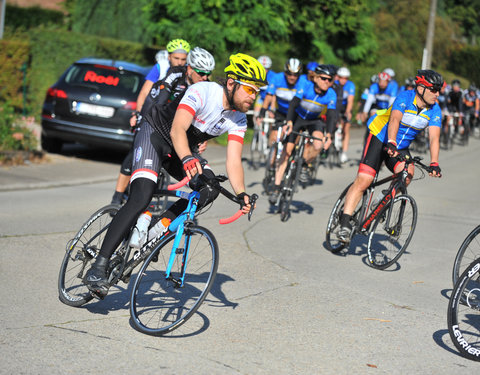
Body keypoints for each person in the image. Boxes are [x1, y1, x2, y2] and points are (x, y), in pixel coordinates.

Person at [84, 53, 266, 298]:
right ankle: (99, 266)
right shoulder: (204, 91)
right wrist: (189, 158)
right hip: (156, 135)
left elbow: (234, 160)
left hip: (181, 150)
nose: (253, 97)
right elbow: (177, 128)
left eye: (257, 92)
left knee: (209, 188)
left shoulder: (239, 119)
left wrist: (241, 193)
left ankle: (156, 232)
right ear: (232, 83)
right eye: (249, 90)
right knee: (142, 196)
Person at [337, 69, 444, 243]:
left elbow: (434, 137)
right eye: (434, 89)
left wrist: (434, 162)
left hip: (400, 146)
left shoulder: (435, 110)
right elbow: (394, 119)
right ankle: (344, 223)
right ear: (421, 88)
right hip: (380, 137)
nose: (437, 94)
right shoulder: (405, 97)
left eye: (439, 90)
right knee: (365, 180)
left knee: (407, 174)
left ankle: (382, 200)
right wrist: (391, 141)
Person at [111, 39, 191, 205]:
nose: (180, 62)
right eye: (176, 58)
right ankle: (117, 196)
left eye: (183, 59)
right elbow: (145, 92)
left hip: (170, 120)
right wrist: (137, 113)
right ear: (169, 57)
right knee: (133, 156)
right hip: (150, 114)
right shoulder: (160, 68)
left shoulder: (188, 73)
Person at [268, 64, 337, 203]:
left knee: (318, 145)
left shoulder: (331, 94)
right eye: (324, 78)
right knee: (287, 152)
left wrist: (329, 135)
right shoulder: (306, 86)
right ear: (316, 78)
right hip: (298, 118)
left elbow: (331, 115)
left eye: (330, 80)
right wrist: (289, 122)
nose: (327, 82)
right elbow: (293, 104)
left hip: (314, 120)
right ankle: (276, 186)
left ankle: (304, 164)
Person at [258, 58, 305, 146]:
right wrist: (262, 112)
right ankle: (272, 157)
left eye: (295, 75)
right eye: (289, 74)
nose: (292, 77)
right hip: (281, 112)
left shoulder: (303, 82)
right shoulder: (277, 78)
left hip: (296, 113)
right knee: (274, 139)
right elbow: (269, 96)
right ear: (285, 72)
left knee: (293, 142)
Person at [335, 67, 355, 163]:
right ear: (338, 77)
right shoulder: (334, 83)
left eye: (345, 78)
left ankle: (344, 152)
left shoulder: (350, 85)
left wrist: (348, 112)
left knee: (346, 128)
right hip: (335, 106)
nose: (343, 80)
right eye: (341, 77)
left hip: (345, 107)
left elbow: (350, 101)